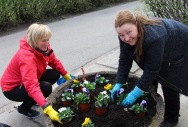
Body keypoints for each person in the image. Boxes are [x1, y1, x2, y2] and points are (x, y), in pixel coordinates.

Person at [110, 9, 188, 127]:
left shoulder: (154, 37)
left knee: (169, 81)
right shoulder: (125, 34)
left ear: (136, 24)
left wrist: (135, 93)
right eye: (121, 35)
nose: (126, 38)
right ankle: (150, 100)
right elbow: (124, 59)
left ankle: (171, 119)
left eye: (129, 32)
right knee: (152, 74)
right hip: (163, 45)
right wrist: (119, 82)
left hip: (180, 46)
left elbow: (152, 69)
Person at [0, 23, 72, 124]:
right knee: (45, 88)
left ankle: (34, 99)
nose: (47, 43)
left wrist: (66, 75)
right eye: (44, 40)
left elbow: (54, 61)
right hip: (12, 88)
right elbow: (31, 86)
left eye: (48, 39)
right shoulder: (26, 57)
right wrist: (47, 108)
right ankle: (23, 108)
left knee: (55, 73)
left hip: (28, 78)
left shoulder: (43, 48)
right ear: (34, 40)